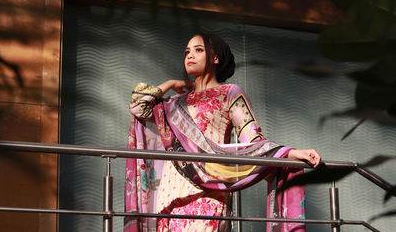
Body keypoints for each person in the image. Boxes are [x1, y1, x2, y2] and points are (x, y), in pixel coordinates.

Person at [124, 34, 321, 232]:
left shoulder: (229, 92)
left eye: (198, 50)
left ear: (215, 58)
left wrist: (288, 153)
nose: (190, 55)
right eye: (187, 52)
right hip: (171, 191)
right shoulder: (176, 103)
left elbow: (252, 138)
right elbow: (138, 107)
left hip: (209, 190)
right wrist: (170, 83)